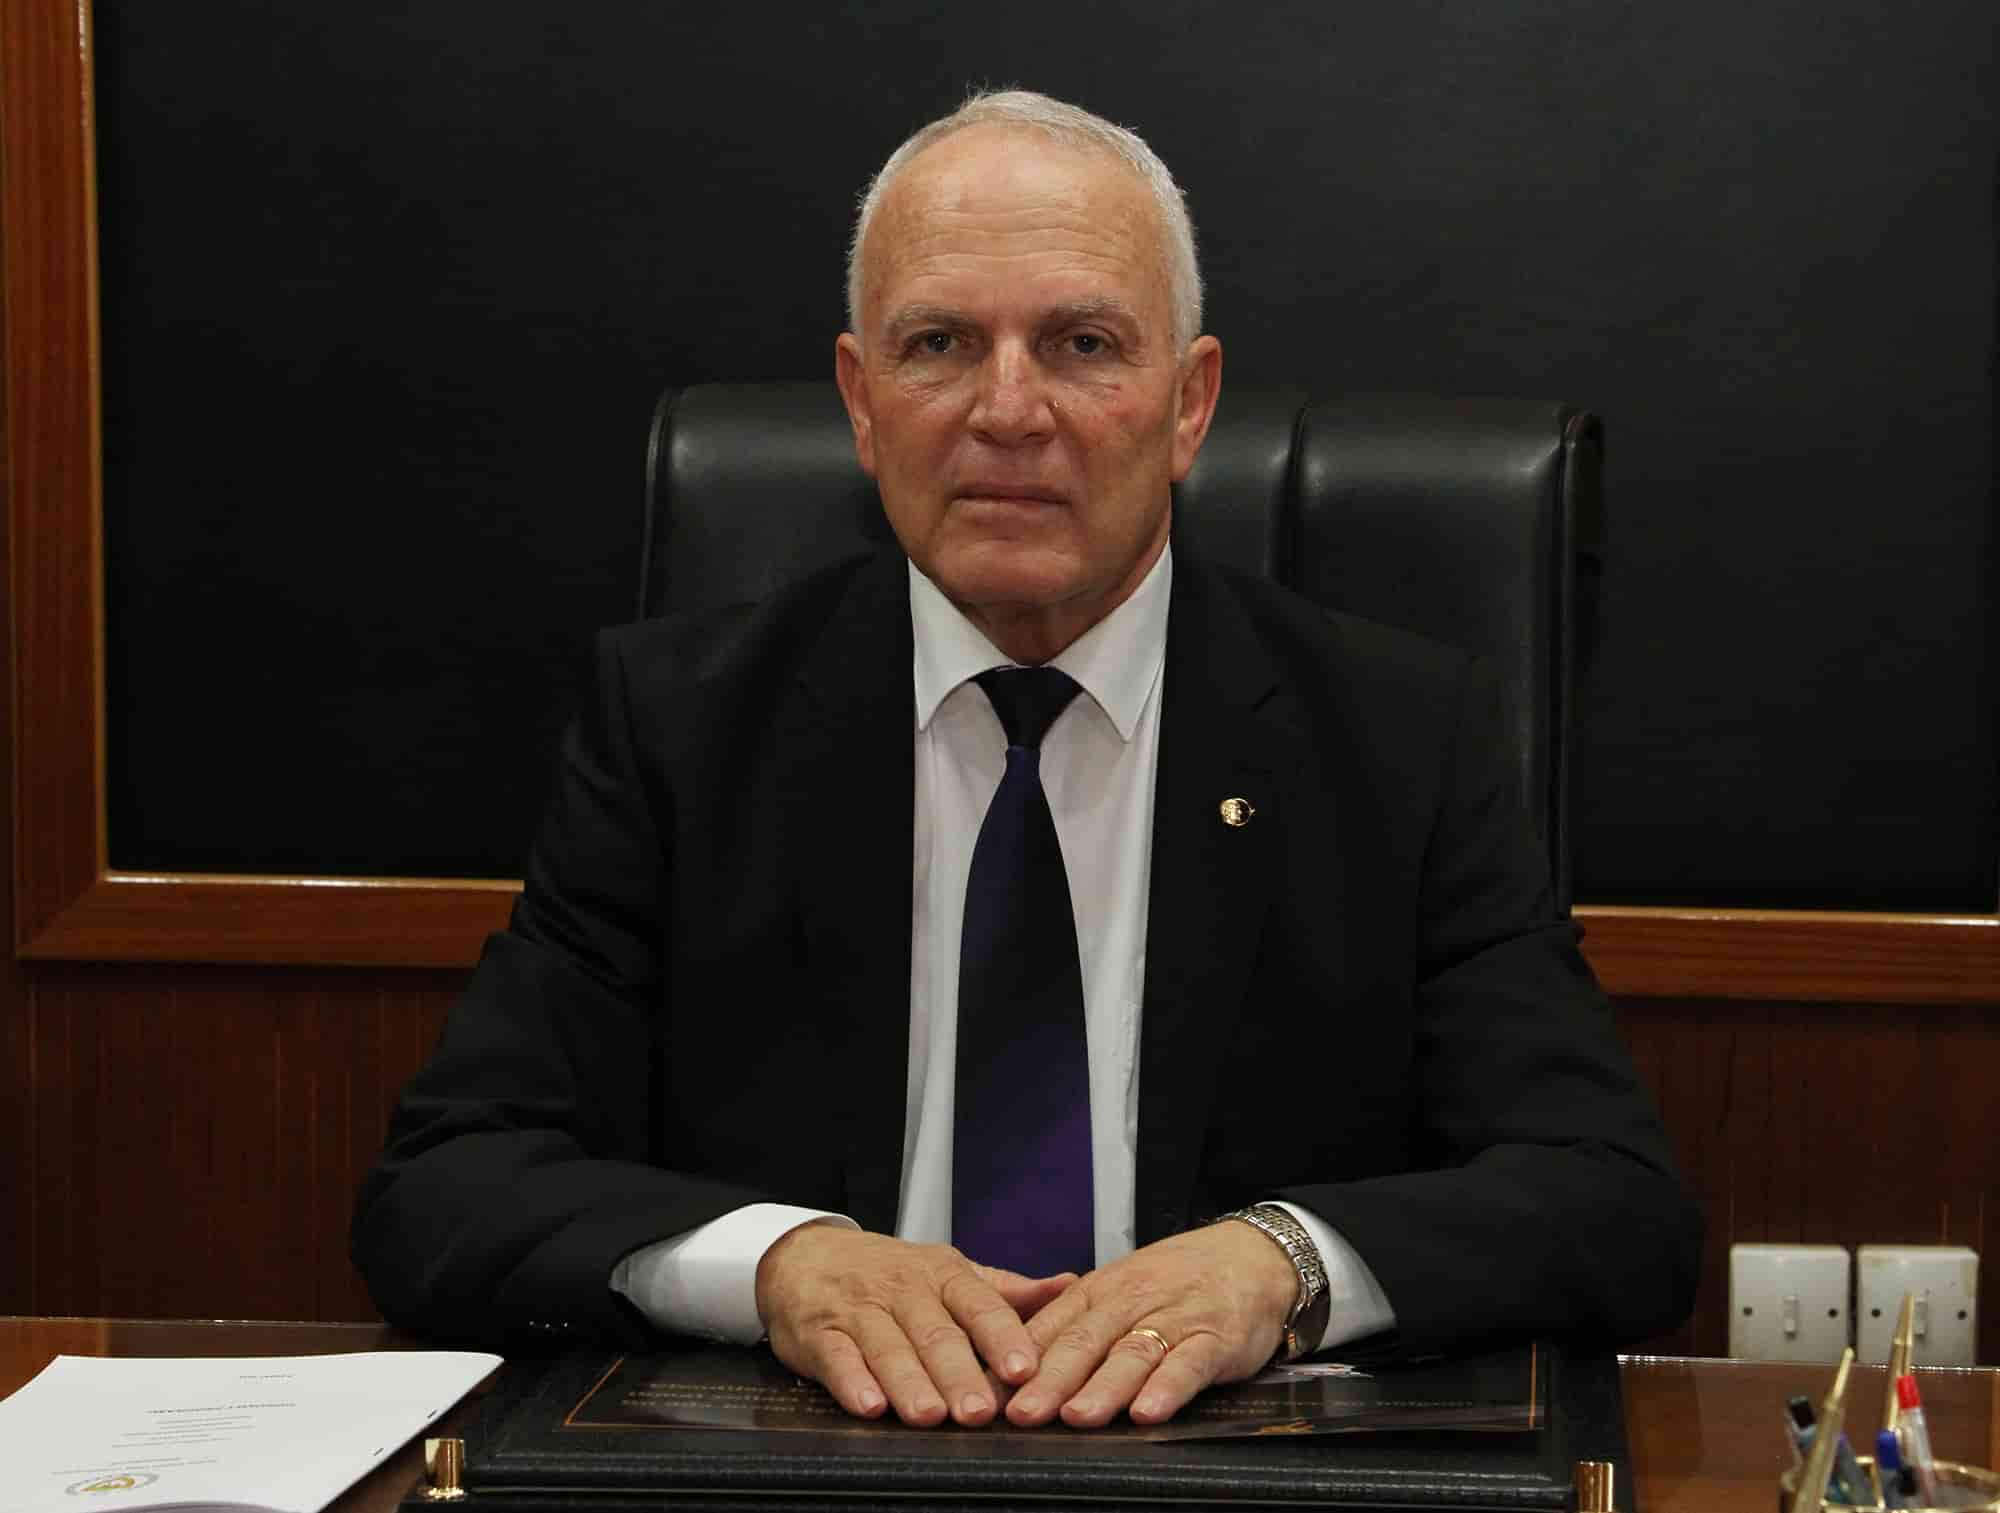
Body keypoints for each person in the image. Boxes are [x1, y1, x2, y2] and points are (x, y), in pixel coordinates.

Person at [352, 89, 1700, 1433]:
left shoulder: (1399, 736)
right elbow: (444, 1187)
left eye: (1082, 344)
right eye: (939, 344)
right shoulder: (683, 727)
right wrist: (778, 1264)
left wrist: (1281, 1263)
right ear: (862, 402)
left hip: (1228, 1469)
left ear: (1189, 404)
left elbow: (1613, 1203)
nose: (1008, 409)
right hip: (809, 1459)